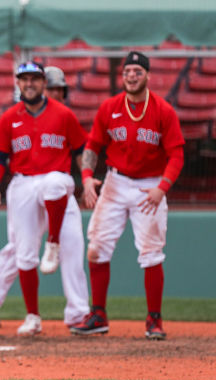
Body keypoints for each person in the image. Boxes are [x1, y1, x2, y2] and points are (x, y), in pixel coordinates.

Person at [71, 51, 184, 340]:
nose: (131, 76)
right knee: (97, 247)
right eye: (127, 72)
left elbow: (176, 154)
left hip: (150, 186)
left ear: (147, 76)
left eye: (137, 71)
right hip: (116, 182)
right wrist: (87, 178)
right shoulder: (109, 107)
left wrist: (162, 188)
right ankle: (98, 315)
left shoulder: (163, 110)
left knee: (151, 252)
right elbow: (92, 146)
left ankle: (154, 319)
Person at [0, 66, 89, 329]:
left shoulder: (64, 115)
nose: (30, 83)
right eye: (24, 79)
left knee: (72, 244)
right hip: (24, 183)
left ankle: (78, 312)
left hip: (56, 185)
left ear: (43, 83)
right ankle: (4, 307)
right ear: (19, 84)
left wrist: (88, 178)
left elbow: (83, 149)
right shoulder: (10, 117)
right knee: (20, 251)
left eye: (35, 79)